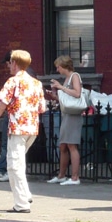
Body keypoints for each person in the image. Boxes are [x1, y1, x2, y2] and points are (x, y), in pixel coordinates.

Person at [0, 49, 46, 213]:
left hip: (17, 127)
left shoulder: (12, 82)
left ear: (14, 63)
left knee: (14, 166)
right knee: (18, 163)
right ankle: (26, 194)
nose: (9, 66)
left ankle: (22, 204)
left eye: (10, 63)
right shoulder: (36, 83)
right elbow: (42, 108)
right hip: (32, 128)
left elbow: (2, 105)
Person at [47, 55, 84, 185]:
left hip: (73, 116)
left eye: (58, 67)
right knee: (63, 145)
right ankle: (61, 175)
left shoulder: (75, 76)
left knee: (71, 145)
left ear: (63, 66)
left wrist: (61, 87)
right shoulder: (68, 78)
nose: (57, 70)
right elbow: (67, 99)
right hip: (66, 114)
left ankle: (75, 177)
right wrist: (55, 96)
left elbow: (77, 93)